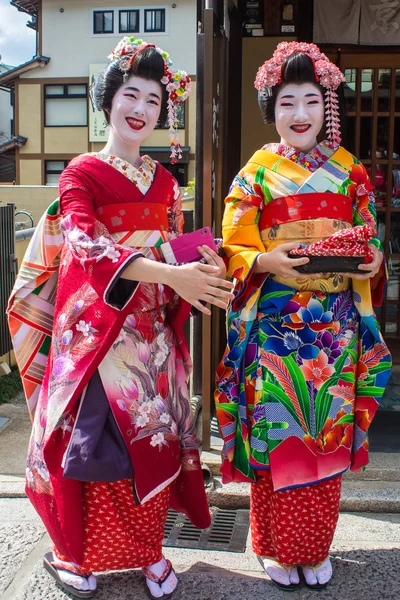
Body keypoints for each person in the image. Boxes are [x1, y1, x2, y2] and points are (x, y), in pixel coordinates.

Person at [7, 36, 234, 599]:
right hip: (97, 333)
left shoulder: (163, 181)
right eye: (130, 95)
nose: (140, 109)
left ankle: (149, 552)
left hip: (151, 336)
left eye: (153, 102)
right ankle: (75, 554)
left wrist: (204, 260)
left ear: (162, 113)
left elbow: (170, 243)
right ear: (107, 102)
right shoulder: (79, 173)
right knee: (90, 448)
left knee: (153, 444)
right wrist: (171, 274)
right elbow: (84, 245)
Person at [215, 42, 392, 591]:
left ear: (325, 107)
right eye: (287, 102)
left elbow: (369, 236)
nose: (299, 114)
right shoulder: (257, 172)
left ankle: (315, 546)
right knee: (279, 431)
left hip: (333, 326)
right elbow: (232, 242)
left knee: (326, 432)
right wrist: (262, 259)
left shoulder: (349, 171)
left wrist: (376, 258)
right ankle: (273, 546)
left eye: (311, 101)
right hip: (276, 324)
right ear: (273, 110)